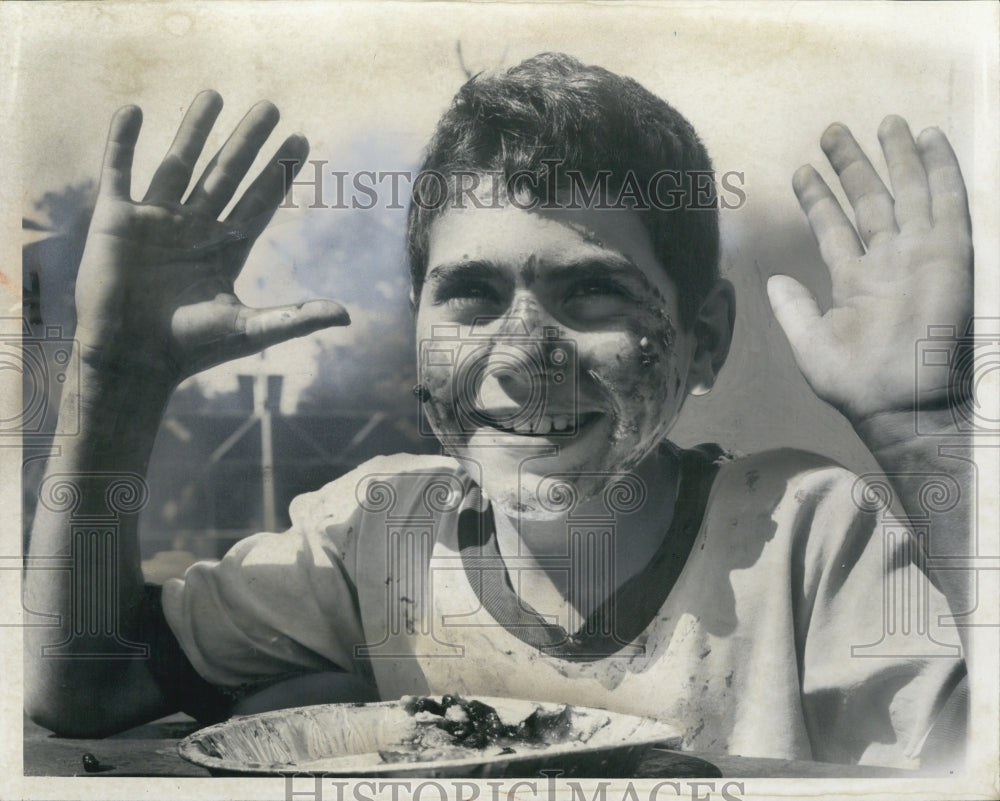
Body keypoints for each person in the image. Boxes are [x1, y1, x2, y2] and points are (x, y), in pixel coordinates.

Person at [24, 54, 973, 769]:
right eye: (472, 293)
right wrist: (114, 377)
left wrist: (926, 430)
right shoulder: (375, 532)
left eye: (595, 292)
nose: (522, 357)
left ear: (703, 337)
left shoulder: (807, 535)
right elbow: (83, 682)